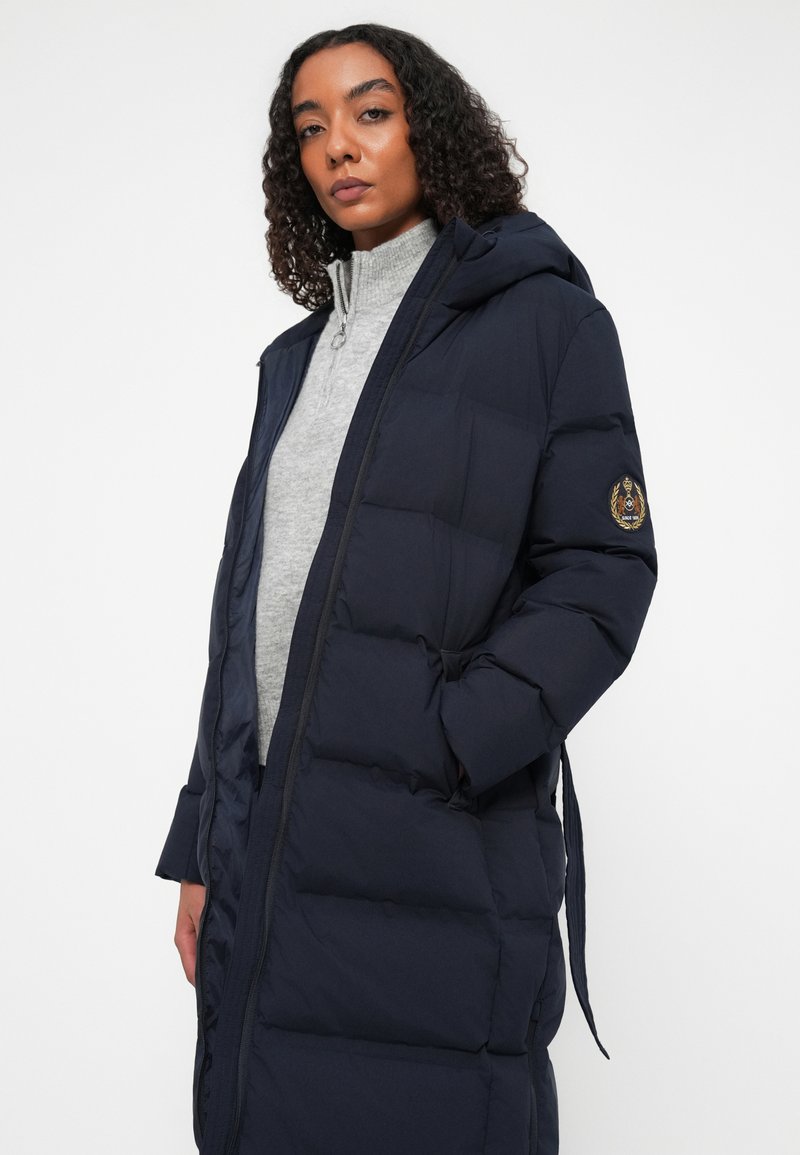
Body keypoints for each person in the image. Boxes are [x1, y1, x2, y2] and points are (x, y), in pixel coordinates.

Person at [155, 22, 658, 1155]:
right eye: (311, 128)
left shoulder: (546, 324)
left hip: (434, 846)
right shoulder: (295, 360)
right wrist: (201, 842)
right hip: (265, 841)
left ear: (431, 128)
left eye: (370, 112)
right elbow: (247, 614)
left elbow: (603, 570)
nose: (339, 145)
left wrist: (450, 738)